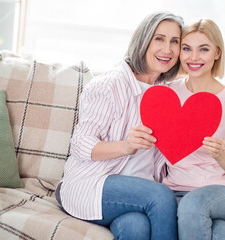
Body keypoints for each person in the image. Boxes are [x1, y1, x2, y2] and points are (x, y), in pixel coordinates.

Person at [55, 11, 184, 240]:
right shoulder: (110, 85)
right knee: (161, 197)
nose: (167, 49)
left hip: (136, 190)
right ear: (143, 40)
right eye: (159, 38)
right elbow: (81, 144)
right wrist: (126, 145)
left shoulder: (168, 93)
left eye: (175, 41)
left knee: (137, 227)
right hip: (92, 185)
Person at [162, 19, 225, 240]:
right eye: (186, 49)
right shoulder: (167, 94)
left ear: (217, 53)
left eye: (203, 49)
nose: (193, 57)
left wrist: (220, 155)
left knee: (194, 205)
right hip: (175, 192)